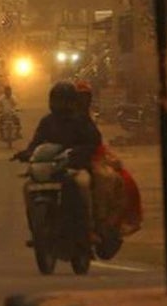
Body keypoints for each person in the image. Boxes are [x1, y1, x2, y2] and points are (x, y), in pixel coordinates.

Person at [13, 81, 102, 241]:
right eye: (57, 100)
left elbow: (94, 141)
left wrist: (78, 152)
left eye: (64, 100)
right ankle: (36, 232)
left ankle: (89, 229)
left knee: (82, 184)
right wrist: (26, 153)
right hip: (51, 169)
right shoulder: (47, 121)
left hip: (75, 167)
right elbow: (36, 142)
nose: (60, 104)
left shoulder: (81, 121)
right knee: (27, 187)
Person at [73, 79, 143, 237]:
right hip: (72, 158)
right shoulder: (64, 118)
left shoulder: (88, 117)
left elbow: (96, 141)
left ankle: (104, 222)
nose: (83, 101)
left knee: (115, 179)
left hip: (93, 157)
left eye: (86, 97)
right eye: (80, 97)